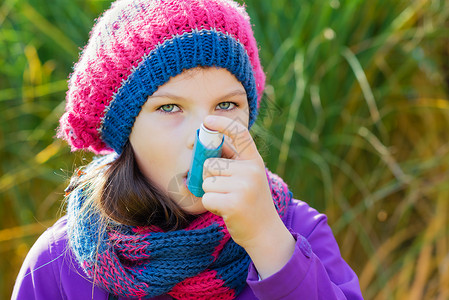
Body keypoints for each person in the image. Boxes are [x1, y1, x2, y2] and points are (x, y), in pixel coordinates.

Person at [12, 0, 363, 299]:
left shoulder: (297, 228)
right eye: (169, 108)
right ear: (126, 131)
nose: (204, 135)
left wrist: (267, 239)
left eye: (226, 105)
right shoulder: (59, 263)